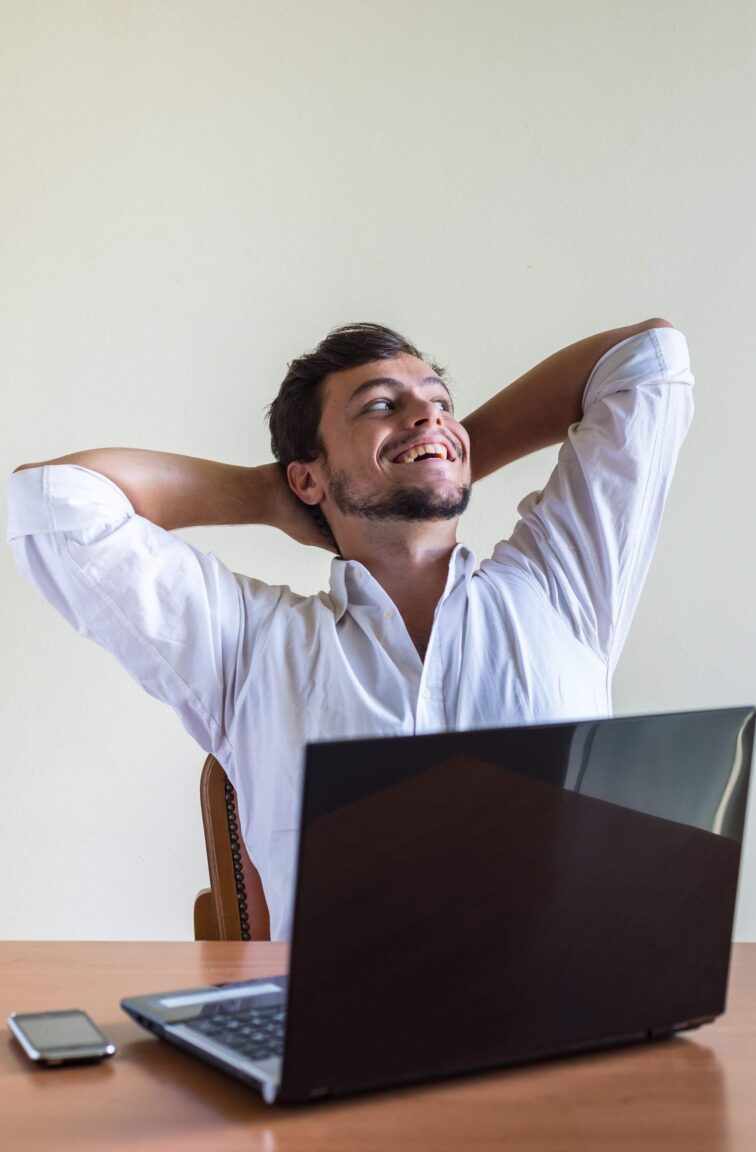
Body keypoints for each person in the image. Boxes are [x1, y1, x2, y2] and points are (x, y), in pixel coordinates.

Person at [7, 318, 694, 939]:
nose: (428, 412)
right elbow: (54, 503)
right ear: (308, 478)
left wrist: (444, 450)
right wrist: (270, 495)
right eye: (381, 405)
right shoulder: (248, 646)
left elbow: (648, 357)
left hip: (572, 1037)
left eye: (439, 403)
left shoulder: (563, 585)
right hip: (344, 1051)